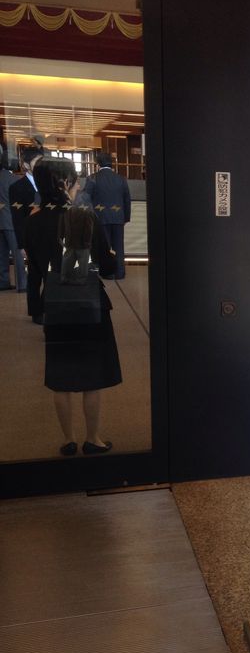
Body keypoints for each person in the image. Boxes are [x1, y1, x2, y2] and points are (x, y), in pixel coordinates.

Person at [25, 158, 122, 456]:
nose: (78, 185)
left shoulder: (33, 220)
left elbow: (35, 270)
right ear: (64, 183)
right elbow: (108, 267)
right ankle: (93, 439)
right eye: (75, 180)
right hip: (89, 304)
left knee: (61, 378)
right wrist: (110, 255)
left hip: (55, 305)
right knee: (92, 377)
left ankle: (68, 440)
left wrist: (37, 308)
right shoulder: (84, 216)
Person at [9, 145, 44, 317]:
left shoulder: (48, 182)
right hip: (30, 237)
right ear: (26, 165)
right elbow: (17, 219)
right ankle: (35, 312)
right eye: (37, 161)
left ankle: (48, 309)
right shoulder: (17, 187)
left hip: (48, 234)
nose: (40, 165)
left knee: (49, 274)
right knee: (34, 276)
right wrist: (21, 244)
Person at [87, 152, 131, 279]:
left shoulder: (92, 178)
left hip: (100, 218)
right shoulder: (121, 179)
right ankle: (119, 272)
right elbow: (127, 199)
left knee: (104, 246)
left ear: (98, 164)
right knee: (118, 246)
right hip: (118, 218)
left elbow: (86, 198)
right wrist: (126, 218)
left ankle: (108, 273)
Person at [0, 144, 26, 292]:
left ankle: (3, 282)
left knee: (1, 255)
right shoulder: (15, 180)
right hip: (11, 222)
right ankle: (22, 284)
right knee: (17, 255)